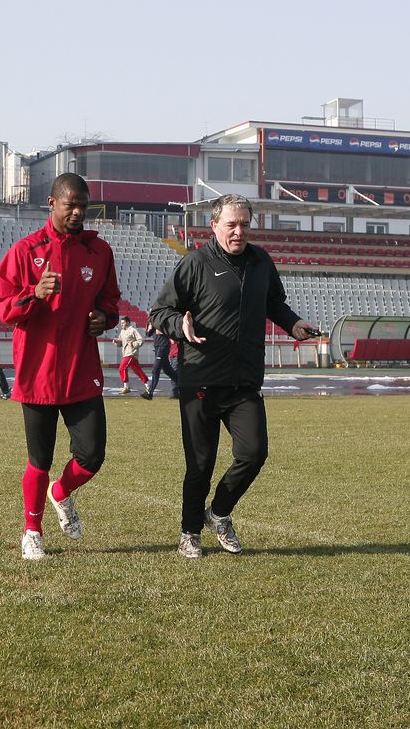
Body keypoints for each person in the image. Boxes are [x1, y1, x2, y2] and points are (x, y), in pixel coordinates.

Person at [149, 196, 318, 559]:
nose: (239, 231)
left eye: (245, 224)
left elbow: (274, 303)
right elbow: (160, 311)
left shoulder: (261, 262)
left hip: (244, 382)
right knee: (200, 464)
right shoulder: (195, 263)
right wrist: (180, 324)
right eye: (231, 225)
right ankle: (190, 533)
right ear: (214, 226)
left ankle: (219, 513)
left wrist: (293, 323)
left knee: (254, 453)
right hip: (201, 381)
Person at [0, 172, 121, 560]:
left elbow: (111, 301)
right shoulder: (25, 251)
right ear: (52, 204)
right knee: (40, 459)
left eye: (83, 205)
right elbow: (2, 308)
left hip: (82, 369)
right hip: (39, 373)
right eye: (71, 205)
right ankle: (32, 529)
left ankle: (61, 493)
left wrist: (105, 318)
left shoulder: (100, 253)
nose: (78, 212)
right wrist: (35, 293)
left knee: (92, 456)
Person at [111, 315, 148, 395]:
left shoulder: (133, 330)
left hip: (131, 353)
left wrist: (133, 344)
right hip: (126, 353)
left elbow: (141, 340)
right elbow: (121, 343)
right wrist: (117, 342)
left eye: (123, 323)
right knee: (137, 371)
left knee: (122, 368)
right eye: (121, 323)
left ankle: (126, 387)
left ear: (128, 322)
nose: (121, 324)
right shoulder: (122, 332)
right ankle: (148, 385)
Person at [144, 322, 179, 399]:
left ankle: (150, 392)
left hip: (163, 346)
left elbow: (168, 331)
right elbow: (148, 334)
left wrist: (160, 330)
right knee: (168, 371)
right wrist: (149, 328)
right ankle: (184, 384)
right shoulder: (151, 322)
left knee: (156, 370)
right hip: (157, 347)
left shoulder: (161, 320)